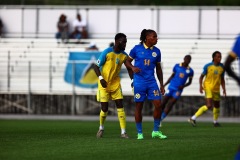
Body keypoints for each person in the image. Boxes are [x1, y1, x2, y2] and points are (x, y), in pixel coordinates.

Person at [125, 29, 167, 140]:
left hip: (152, 82)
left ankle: (156, 131)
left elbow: (158, 69)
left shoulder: (157, 51)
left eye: (156, 36)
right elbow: (127, 61)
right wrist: (133, 67)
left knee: (158, 105)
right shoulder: (136, 49)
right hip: (139, 82)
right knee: (139, 106)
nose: (156, 38)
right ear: (147, 38)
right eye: (154, 36)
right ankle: (140, 133)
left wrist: (161, 84)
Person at [94, 33, 130, 139]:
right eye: (124, 41)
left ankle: (123, 132)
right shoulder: (107, 52)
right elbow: (95, 66)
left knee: (120, 106)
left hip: (115, 83)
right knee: (104, 109)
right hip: (104, 83)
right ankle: (101, 128)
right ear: (117, 41)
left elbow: (129, 68)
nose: (125, 44)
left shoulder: (124, 55)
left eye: (126, 42)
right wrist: (101, 79)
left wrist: (132, 80)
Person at [188, 51, 226, 127]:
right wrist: (200, 86)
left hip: (216, 89)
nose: (220, 58)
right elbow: (201, 77)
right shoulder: (208, 66)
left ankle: (215, 122)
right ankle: (193, 118)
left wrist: (224, 89)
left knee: (217, 106)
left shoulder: (222, 67)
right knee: (209, 105)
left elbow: (222, 79)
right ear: (214, 57)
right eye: (218, 57)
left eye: (220, 57)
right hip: (208, 87)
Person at [160, 55, 194, 123]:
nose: (187, 60)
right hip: (171, 86)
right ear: (184, 59)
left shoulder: (190, 71)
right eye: (186, 58)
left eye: (189, 59)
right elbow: (171, 76)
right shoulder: (177, 66)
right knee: (164, 102)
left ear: (190, 61)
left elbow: (190, 82)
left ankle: (161, 118)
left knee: (171, 103)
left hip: (178, 90)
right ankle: (158, 116)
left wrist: (183, 86)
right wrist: (164, 84)